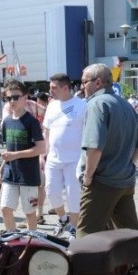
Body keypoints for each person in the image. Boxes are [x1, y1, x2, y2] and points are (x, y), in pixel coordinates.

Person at [76, 63, 138, 237]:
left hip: (102, 182)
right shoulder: (125, 104)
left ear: (98, 82)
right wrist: (127, 163)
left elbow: (94, 147)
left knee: (85, 237)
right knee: (130, 235)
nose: (81, 86)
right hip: (125, 181)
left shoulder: (96, 104)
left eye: (84, 82)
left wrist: (88, 177)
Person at [0, 79, 45, 232]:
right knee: (5, 208)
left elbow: (40, 148)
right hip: (10, 174)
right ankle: (12, 240)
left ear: (25, 98)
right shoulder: (7, 121)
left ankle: (32, 242)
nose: (12, 101)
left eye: (16, 97)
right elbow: (8, 152)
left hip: (28, 176)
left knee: (30, 213)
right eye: (8, 98)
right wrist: (1, 170)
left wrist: (15, 155)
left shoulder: (32, 122)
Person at [42, 73, 86, 238]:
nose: (50, 90)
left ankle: (74, 227)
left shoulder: (81, 105)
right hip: (53, 158)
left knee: (73, 194)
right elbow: (46, 131)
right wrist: (42, 155)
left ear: (65, 88)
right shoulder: (52, 106)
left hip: (74, 159)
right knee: (51, 191)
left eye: (53, 87)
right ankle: (62, 218)